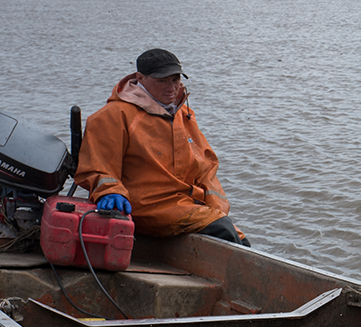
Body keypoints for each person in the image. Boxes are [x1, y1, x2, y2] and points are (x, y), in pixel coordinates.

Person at [74, 48, 248, 245]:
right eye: (162, 80)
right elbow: (97, 167)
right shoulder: (112, 116)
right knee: (222, 230)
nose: (171, 87)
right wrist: (110, 191)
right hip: (144, 206)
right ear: (140, 77)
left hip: (184, 204)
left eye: (175, 79)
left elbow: (206, 167)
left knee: (241, 239)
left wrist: (216, 207)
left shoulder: (185, 114)